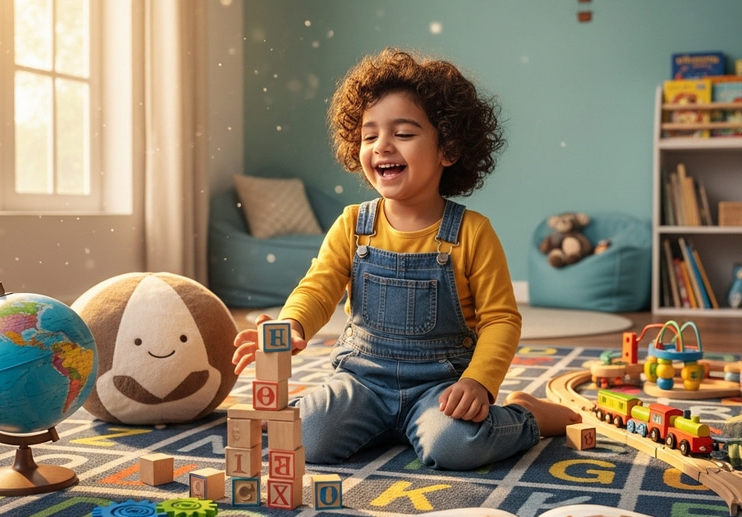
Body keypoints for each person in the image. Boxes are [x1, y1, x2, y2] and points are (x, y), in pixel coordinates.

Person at [232, 48, 580, 470]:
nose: (382, 145)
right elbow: (318, 286)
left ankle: (527, 416)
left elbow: (502, 319)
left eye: (404, 133)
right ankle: (379, 424)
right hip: (361, 379)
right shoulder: (352, 224)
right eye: (369, 135)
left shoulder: (472, 232)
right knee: (304, 437)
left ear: (447, 149)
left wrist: (479, 382)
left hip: (440, 385)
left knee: (456, 446)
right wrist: (291, 326)